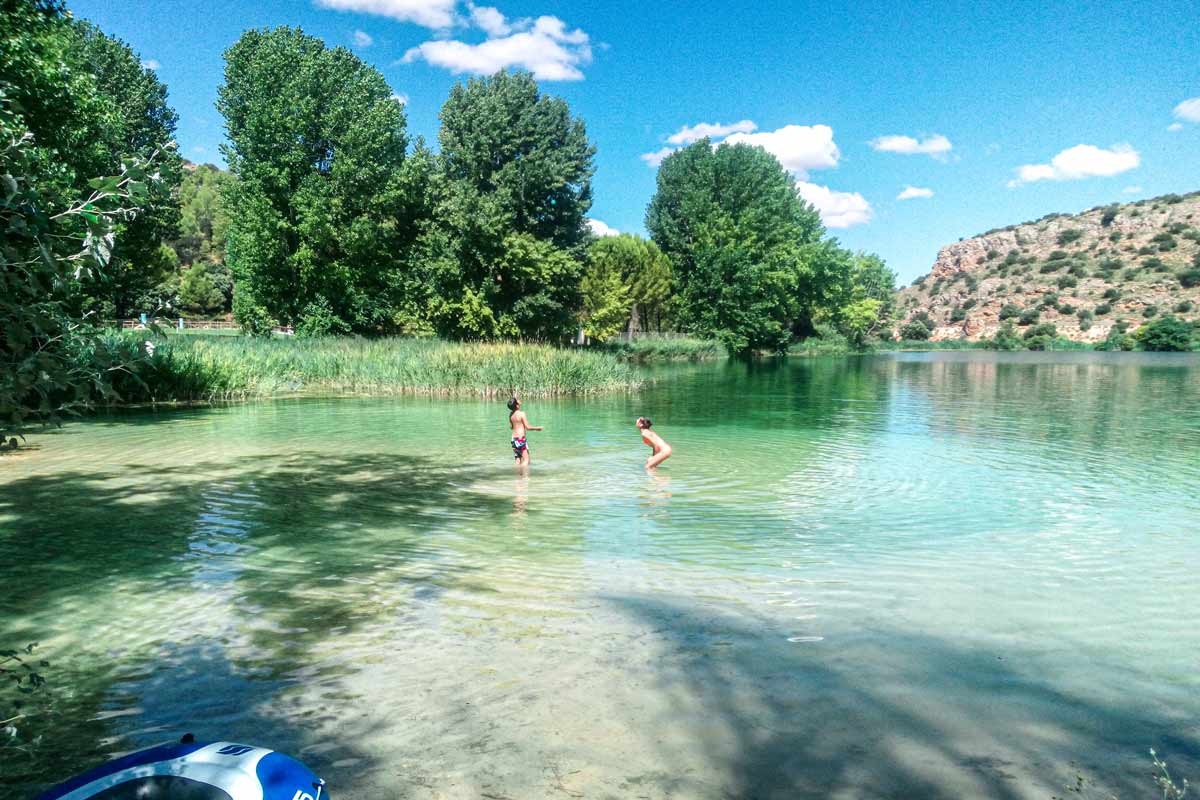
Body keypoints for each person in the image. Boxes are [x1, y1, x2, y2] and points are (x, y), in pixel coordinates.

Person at [508, 397, 542, 466]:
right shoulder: (522, 414)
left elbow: (511, 427)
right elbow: (528, 427)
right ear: (517, 405)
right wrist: (537, 428)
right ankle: (525, 476)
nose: (519, 400)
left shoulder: (511, 414)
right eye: (518, 400)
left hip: (513, 440)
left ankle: (516, 474)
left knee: (518, 460)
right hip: (520, 439)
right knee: (527, 460)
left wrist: (517, 424)